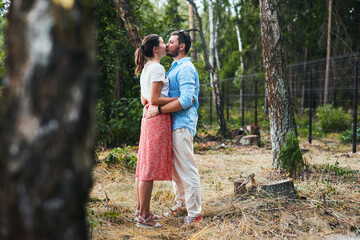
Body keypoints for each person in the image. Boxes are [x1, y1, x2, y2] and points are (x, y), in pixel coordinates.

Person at [146, 30, 202, 225]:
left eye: (171, 42)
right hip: (172, 125)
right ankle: (182, 206)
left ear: (182, 46)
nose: (167, 45)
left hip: (182, 124)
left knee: (187, 169)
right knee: (176, 172)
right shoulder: (174, 67)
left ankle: (195, 214)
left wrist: (159, 110)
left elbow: (187, 100)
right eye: (167, 42)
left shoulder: (186, 68)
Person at [134, 34, 178, 228]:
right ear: (155, 49)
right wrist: (178, 100)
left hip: (148, 119)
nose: (165, 45)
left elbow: (144, 101)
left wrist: (158, 99)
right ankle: (144, 217)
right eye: (162, 43)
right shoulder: (158, 68)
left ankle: (141, 211)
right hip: (156, 120)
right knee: (148, 170)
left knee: (143, 168)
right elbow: (154, 100)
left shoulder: (146, 69)